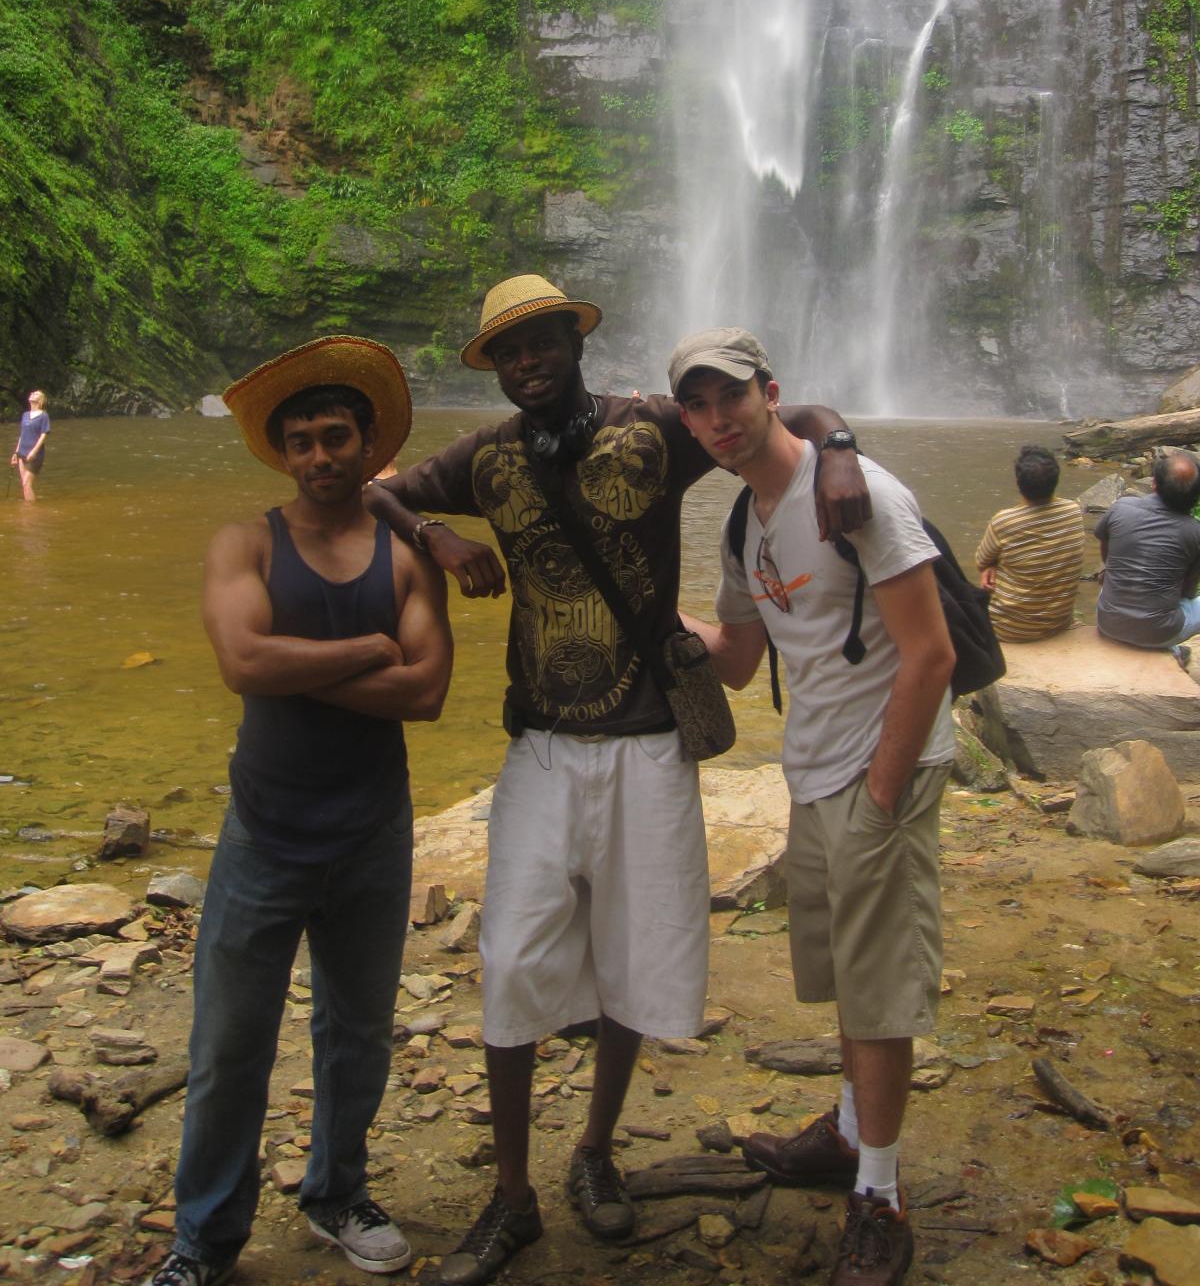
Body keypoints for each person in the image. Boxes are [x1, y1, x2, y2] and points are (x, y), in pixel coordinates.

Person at [366, 276, 870, 1286]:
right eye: (508, 352)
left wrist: (844, 454)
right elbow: (381, 489)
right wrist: (437, 536)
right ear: (496, 368)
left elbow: (796, 416)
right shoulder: (486, 458)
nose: (527, 362)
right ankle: (511, 1195)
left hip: (648, 742)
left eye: (542, 342)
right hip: (542, 747)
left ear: (574, 342)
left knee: (638, 956)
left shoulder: (656, 429)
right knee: (511, 960)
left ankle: (595, 1149)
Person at [144, 337, 453, 1286]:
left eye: (336, 437)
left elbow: (428, 693)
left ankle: (337, 1194)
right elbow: (243, 662)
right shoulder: (245, 543)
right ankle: (204, 1240)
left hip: (373, 831)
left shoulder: (408, 553)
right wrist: (369, 649)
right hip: (265, 832)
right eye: (303, 441)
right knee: (228, 1044)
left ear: (368, 443)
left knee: (357, 1034)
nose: (320, 455)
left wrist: (293, 664)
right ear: (283, 453)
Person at [670, 327, 955, 1286]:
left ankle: (881, 1196)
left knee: (878, 994)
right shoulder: (743, 524)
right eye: (698, 405)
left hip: (881, 770)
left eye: (731, 396)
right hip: (815, 772)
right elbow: (740, 659)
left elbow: (933, 653)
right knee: (848, 978)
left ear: (771, 392)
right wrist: (647, 609)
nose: (718, 418)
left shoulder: (859, 496)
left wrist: (882, 792)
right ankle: (845, 1132)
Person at [974, 444, 1084, 641]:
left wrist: (991, 565)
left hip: (1008, 629)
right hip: (1059, 623)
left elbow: (981, 561)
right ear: (1057, 479)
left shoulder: (1004, 521)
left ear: (1018, 483)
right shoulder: (1073, 511)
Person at [1094, 449, 1200, 650]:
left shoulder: (1121, 507)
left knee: (1111, 583)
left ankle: (1168, 647)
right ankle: (1172, 649)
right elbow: (1187, 592)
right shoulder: (1195, 531)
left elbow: (1106, 555)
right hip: (1159, 632)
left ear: (1154, 484)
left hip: (1108, 622)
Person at [11, 389, 49, 502]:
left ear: (41, 400)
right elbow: (22, 435)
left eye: (36, 394)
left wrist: (34, 452)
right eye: (32, 393)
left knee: (26, 483)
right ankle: (29, 509)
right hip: (22, 452)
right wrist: (16, 453)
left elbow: (44, 435)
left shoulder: (44, 416)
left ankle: (31, 509)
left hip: (35, 455)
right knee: (24, 484)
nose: (32, 394)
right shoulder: (25, 415)